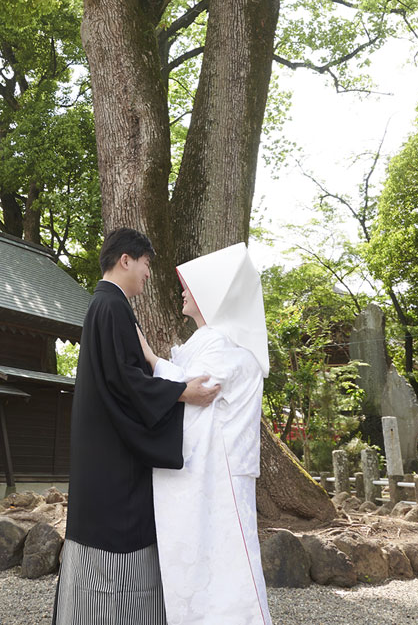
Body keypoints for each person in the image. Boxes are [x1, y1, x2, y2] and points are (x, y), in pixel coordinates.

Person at [53, 227, 221, 625]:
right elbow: (126, 384)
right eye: (146, 264)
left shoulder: (108, 307)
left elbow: (126, 376)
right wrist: (183, 393)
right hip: (113, 460)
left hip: (103, 451)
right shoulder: (110, 308)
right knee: (119, 542)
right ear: (125, 259)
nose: (148, 274)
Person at [138, 242, 273, 625]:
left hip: (218, 474)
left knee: (221, 563)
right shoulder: (219, 343)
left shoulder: (223, 345)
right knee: (215, 560)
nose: (182, 291)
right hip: (217, 471)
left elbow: (196, 389)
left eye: (191, 286)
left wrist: (151, 360)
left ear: (213, 296)